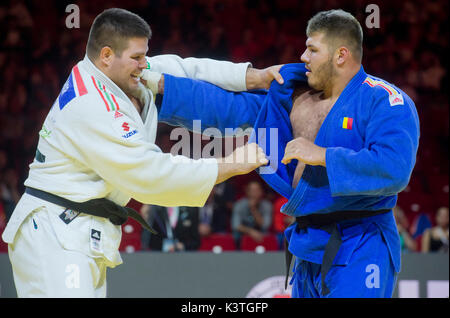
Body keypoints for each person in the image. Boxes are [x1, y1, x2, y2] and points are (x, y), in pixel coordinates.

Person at [1, 8, 280, 298]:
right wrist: (230, 165)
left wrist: (254, 77)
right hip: (54, 235)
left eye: (144, 55)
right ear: (107, 55)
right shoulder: (92, 106)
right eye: (137, 57)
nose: (143, 65)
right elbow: (150, 174)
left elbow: (186, 69)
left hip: (76, 230)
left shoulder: (114, 76)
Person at [145, 9, 420, 297]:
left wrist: (322, 155)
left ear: (340, 55)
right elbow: (227, 106)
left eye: (312, 50)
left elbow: (394, 167)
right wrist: (161, 89)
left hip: (361, 241)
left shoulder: (385, 100)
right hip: (307, 241)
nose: (303, 56)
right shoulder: (292, 94)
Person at [231, 180, 272, 248]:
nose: (255, 193)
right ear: (247, 192)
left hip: (261, 232)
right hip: (243, 233)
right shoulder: (239, 204)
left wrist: (253, 209)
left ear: (261, 192)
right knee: (235, 235)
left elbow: (265, 225)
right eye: (252, 190)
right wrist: (251, 232)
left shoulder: (267, 205)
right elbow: (236, 225)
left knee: (269, 236)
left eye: (257, 190)